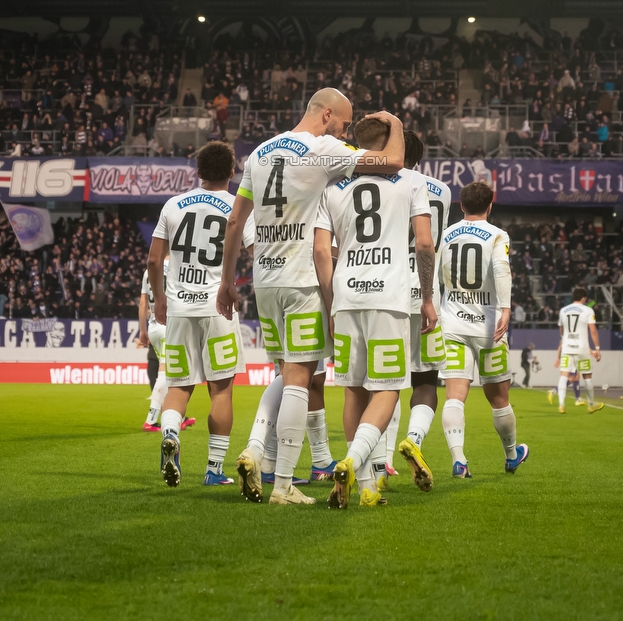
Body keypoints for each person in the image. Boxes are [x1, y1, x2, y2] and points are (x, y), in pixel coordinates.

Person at [217, 89, 404, 506]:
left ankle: (256, 449)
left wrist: (228, 281)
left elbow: (235, 221)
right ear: (326, 115)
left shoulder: (260, 153)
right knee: (300, 378)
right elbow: (393, 161)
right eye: (343, 124)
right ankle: (282, 484)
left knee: (285, 373)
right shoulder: (324, 149)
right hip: (302, 279)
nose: (345, 133)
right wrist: (396, 123)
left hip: (264, 280)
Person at [313, 117, 435, 508]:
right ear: (392, 140)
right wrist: (428, 297)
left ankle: (365, 486)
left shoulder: (333, 186)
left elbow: (320, 251)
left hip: (347, 295)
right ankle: (354, 460)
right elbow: (425, 245)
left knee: (353, 388)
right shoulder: (414, 182)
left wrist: (331, 303)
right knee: (387, 390)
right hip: (390, 296)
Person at [148, 141, 255, 488]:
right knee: (221, 390)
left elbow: (153, 260)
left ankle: (170, 434)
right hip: (217, 308)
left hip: (178, 309)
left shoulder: (173, 204)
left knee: (178, 387)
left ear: (197, 171)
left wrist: (159, 301)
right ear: (231, 172)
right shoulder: (237, 206)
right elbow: (254, 250)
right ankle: (213, 470)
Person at [438, 181, 529, 478]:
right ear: (490, 206)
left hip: (452, 324)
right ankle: (512, 454)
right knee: (499, 399)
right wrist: (505, 308)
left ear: (461, 205)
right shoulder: (498, 235)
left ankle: (459, 459)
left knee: (454, 396)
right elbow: (502, 269)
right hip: (489, 328)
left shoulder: (446, 234)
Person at [394, 130, 451, 492]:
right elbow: (428, 240)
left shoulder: (390, 185)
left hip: (389, 292)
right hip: (429, 295)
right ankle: (414, 436)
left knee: (382, 383)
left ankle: (381, 457)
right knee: (426, 381)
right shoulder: (442, 190)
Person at [137, 259, 196, 434]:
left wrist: (142, 331)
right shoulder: (179, 266)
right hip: (170, 325)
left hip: (154, 327)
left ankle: (178, 416)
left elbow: (142, 303)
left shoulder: (149, 270)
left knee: (172, 373)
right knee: (165, 372)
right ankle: (151, 419)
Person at [555, 288, 605, 414]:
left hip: (567, 348)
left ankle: (561, 404)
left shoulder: (563, 311)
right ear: (583, 298)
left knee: (564, 374)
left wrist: (565, 339)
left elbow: (561, 330)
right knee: (587, 377)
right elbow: (593, 330)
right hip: (582, 349)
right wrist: (597, 349)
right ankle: (591, 405)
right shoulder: (588, 310)